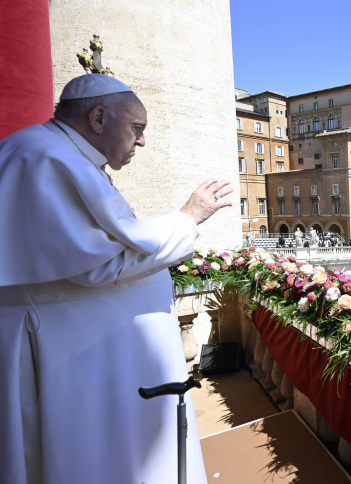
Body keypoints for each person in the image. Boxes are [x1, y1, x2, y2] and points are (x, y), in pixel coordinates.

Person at [0, 74, 230, 484]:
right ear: (99, 117)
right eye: (136, 129)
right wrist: (188, 217)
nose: (141, 142)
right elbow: (100, 264)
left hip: (76, 343)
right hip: (63, 349)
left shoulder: (53, 153)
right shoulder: (48, 158)